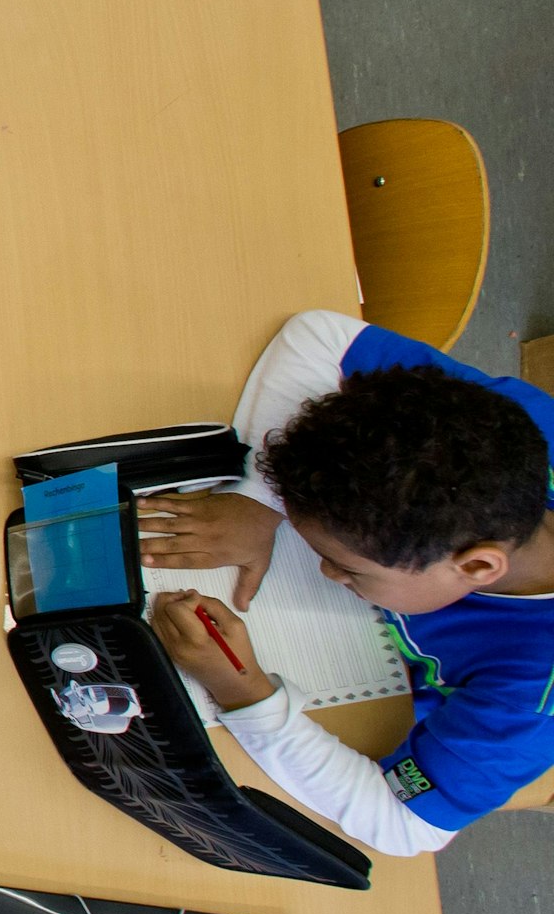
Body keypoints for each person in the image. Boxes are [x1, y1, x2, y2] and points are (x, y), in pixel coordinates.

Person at [141, 309, 554, 856]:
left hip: (411, 716)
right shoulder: (516, 426)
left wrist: (243, 692)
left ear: (477, 567)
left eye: (350, 568)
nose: (328, 573)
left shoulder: (532, 696)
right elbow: (320, 335)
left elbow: (408, 827)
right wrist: (258, 502)